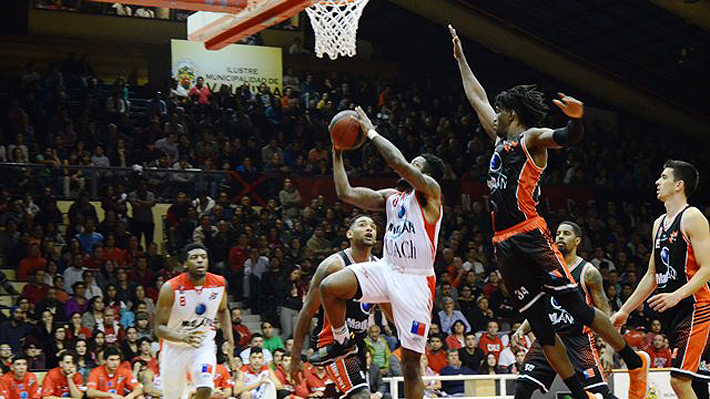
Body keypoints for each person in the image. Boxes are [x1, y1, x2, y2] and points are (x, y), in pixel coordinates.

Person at [449, 25, 648, 399]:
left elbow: (567, 138)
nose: (492, 115)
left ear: (510, 113)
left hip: (529, 232)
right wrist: (461, 60)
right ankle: (578, 392)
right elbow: (476, 98)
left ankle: (632, 359)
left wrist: (576, 119)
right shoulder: (500, 139)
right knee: (540, 326)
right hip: (503, 244)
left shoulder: (532, 137)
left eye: (499, 111)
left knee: (578, 309)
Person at [313, 105, 445, 399]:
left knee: (410, 365)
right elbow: (346, 192)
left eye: (417, 164)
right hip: (386, 269)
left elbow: (397, 163)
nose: (411, 165)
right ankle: (342, 342)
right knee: (329, 287)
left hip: (415, 282)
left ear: (426, 175)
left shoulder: (431, 195)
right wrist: (337, 152)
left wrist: (371, 131)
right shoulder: (392, 198)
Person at [611, 160, 710, 399]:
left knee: (678, 380)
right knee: (695, 383)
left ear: (679, 185)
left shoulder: (692, 217)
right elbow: (651, 275)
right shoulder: (658, 224)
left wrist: (677, 295)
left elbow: (707, 268)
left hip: (696, 308)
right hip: (674, 312)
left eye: (664, 177)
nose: (657, 182)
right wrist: (624, 310)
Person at [512, 221, 618, 399]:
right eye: (558, 233)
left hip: (578, 341)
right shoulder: (544, 270)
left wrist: (608, 350)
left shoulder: (589, 272)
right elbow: (539, 308)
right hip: (549, 339)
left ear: (577, 241)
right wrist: (522, 329)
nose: (560, 236)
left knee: (600, 393)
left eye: (566, 233)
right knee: (522, 387)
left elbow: (605, 314)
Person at [290, 215, 379, 399]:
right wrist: (295, 357)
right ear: (349, 234)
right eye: (362, 225)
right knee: (361, 395)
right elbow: (307, 311)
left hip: (358, 343)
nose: (369, 229)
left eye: (373, 226)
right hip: (333, 344)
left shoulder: (380, 268)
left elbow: (389, 309)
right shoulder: (333, 265)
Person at [154, 243, 234, 399]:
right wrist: (183, 337)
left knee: (205, 386)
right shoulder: (170, 288)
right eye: (194, 258)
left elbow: (223, 310)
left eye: (203, 257)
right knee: (172, 396)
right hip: (173, 346)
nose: (200, 261)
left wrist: (229, 338)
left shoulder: (219, 283)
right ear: (185, 263)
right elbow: (158, 329)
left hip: (202, 343)